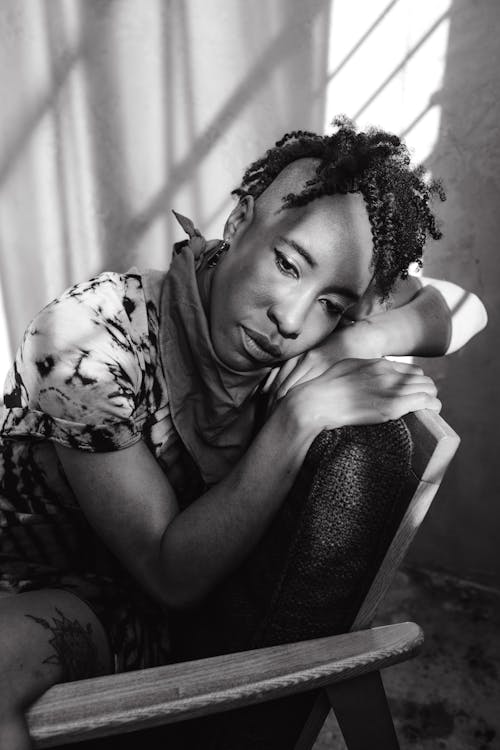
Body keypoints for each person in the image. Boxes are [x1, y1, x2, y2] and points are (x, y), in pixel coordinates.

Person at [0, 118, 487, 749]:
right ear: (236, 225)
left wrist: (360, 337)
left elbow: (467, 306)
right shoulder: (88, 341)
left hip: (102, 605)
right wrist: (297, 417)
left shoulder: (300, 337)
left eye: (331, 302)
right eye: (287, 264)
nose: (290, 318)